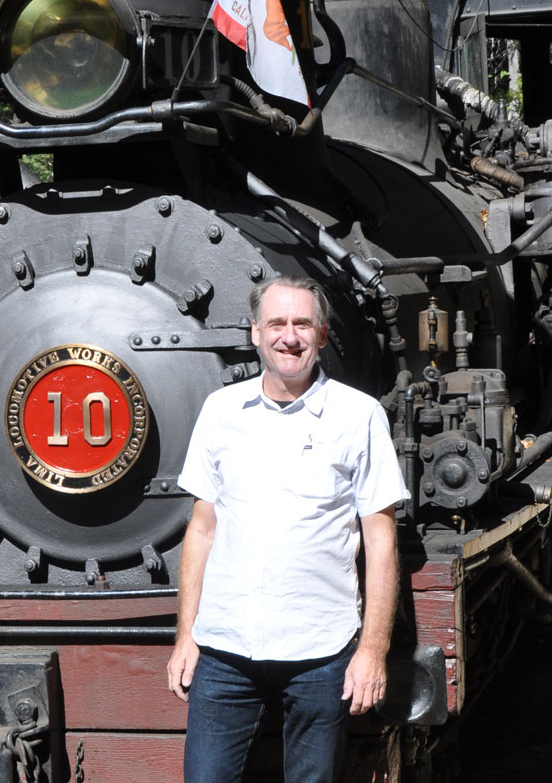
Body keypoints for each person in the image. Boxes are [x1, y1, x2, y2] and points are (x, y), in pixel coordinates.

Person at [166, 275, 409, 783]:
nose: (289, 336)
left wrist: (372, 651)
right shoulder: (220, 411)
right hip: (224, 651)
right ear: (256, 333)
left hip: (320, 653)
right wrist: (186, 635)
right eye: (276, 323)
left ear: (321, 336)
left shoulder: (358, 416)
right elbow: (202, 530)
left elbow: (381, 543)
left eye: (303, 324)